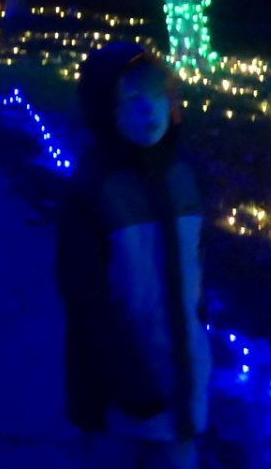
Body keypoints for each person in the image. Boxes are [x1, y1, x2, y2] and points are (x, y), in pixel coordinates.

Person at [54, 41, 210, 468]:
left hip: (181, 393)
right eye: (132, 99)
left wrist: (199, 348)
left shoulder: (182, 181)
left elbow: (194, 278)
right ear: (105, 110)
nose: (149, 110)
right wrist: (131, 386)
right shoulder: (94, 192)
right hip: (119, 404)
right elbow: (86, 302)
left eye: (158, 95)